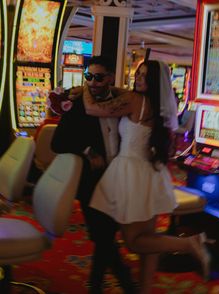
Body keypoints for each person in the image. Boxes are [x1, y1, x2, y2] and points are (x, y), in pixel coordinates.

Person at [83, 60, 211, 294]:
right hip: (150, 173)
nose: (138, 78)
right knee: (148, 238)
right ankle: (144, 289)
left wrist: (83, 88)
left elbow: (93, 108)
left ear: (153, 81)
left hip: (129, 172)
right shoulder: (157, 105)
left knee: (134, 241)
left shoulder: (135, 101)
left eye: (143, 75)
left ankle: (188, 243)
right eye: (137, 73)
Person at [50, 55, 135, 294]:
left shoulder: (122, 102)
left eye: (99, 77)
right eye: (89, 77)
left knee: (105, 236)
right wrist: (87, 150)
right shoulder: (77, 105)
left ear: (110, 78)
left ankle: (98, 285)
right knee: (104, 236)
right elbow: (57, 143)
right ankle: (124, 283)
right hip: (91, 181)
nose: (93, 83)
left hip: (119, 177)